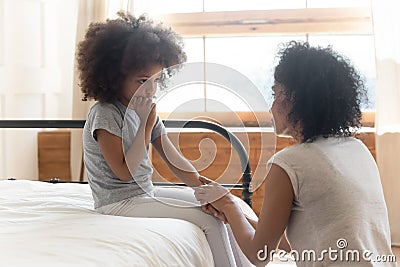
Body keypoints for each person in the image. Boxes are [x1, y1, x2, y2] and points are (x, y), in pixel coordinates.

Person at [194, 41, 397, 266]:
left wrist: (230, 205)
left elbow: (259, 255)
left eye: (275, 94)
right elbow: (302, 239)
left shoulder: (288, 163)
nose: (271, 107)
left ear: (292, 99)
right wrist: (236, 216)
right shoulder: (357, 149)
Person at [78, 12, 250, 267]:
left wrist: (203, 187)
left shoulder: (145, 109)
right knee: (207, 220)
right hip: (116, 204)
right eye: (142, 81)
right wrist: (145, 127)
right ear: (114, 77)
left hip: (145, 194)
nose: (150, 89)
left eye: (156, 80)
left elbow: (173, 159)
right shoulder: (106, 114)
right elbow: (125, 172)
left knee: (223, 206)